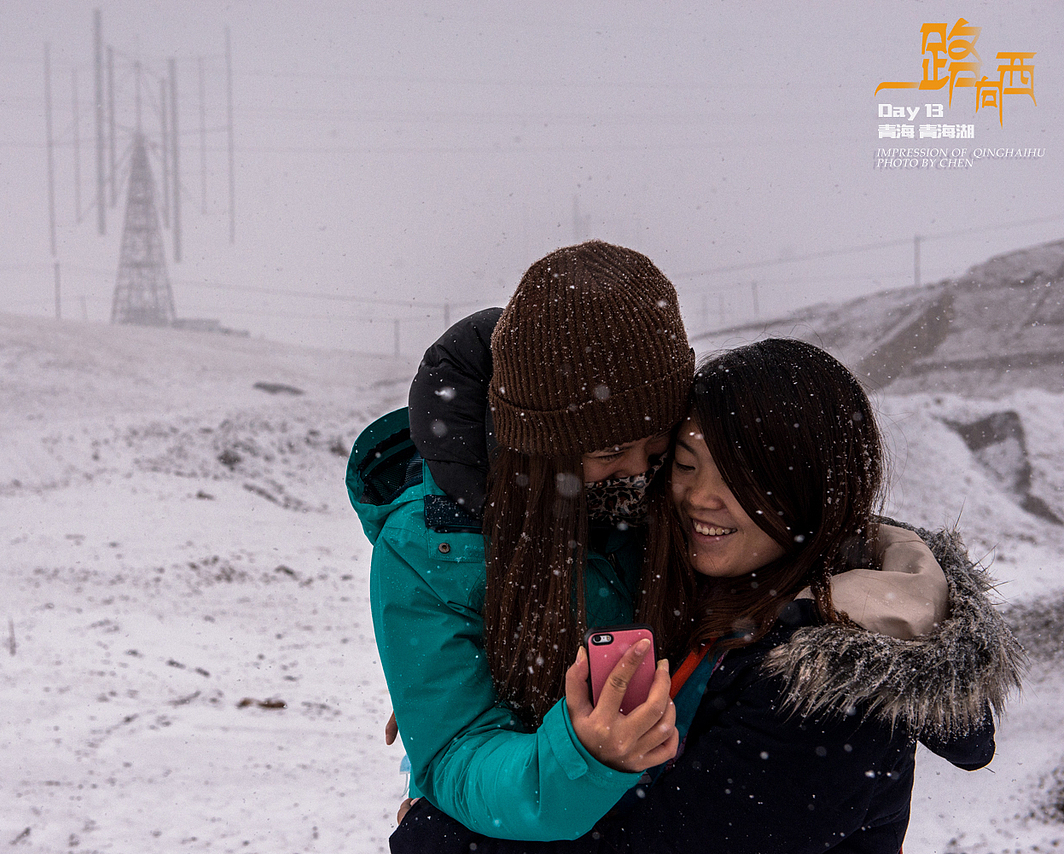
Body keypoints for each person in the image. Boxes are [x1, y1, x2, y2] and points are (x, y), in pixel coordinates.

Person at [346, 242, 955, 843]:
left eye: (661, 444)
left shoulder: (801, 650)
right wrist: (544, 736)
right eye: (610, 451)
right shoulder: (430, 550)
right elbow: (461, 751)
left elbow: (797, 496)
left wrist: (449, 837)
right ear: (542, 443)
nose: (643, 470)